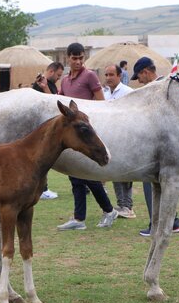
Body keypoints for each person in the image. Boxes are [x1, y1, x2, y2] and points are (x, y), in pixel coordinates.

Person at [56, 43, 117, 230]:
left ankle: (109, 211)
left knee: (89, 176)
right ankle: (79, 219)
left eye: (81, 58)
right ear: (68, 58)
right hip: (73, 136)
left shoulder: (89, 76)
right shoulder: (65, 81)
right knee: (74, 176)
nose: (78, 61)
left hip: (88, 134)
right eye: (74, 58)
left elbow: (102, 103)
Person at [132, 56, 179, 236]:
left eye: (139, 77)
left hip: (157, 146)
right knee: (166, 184)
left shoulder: (157, 88)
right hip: (167, 144)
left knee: (151, 184)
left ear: (146, 72)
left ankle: (157, 225)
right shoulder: (168, 85)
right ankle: (173, 221)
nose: (139, 81)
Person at [104, 64, 136, 219]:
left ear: (119, 76)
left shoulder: (128, 92)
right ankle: (121, 204)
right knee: (115, 172)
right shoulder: (104, 93)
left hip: (126, 139)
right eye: (106, 75)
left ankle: (128, 206)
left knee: (126, 174)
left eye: (111, 75)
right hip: (110, 139)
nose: (108, 78)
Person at [32, 61, 65, 200]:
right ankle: (42, 189)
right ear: (51, 71)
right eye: (58, 75)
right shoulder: (41, 85)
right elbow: (53, 102)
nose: (59, 78)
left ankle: (42, 188)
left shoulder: (49, 84)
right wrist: (44, 87)